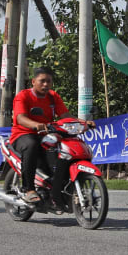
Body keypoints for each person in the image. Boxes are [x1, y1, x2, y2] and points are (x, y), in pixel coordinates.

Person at [9, 67, 88, 205]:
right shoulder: (23, 96)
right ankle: (29, 189)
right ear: (33, 81)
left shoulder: (53, 96)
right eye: (42, 81)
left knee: (65, 147)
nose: (45, 84)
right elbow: (20, 118)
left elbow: (65, 116)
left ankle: (59, 185)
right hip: (23, 134)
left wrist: (83, 122)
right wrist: (36, 125)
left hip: (46, 134)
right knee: (31, 145)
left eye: (49, 81)